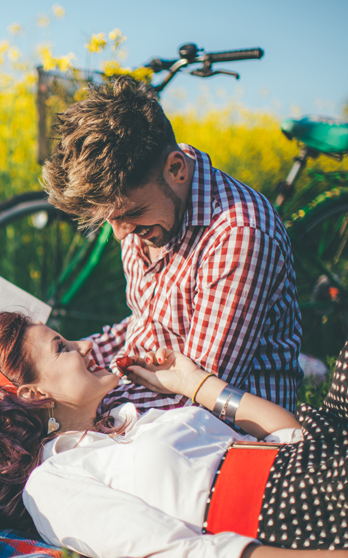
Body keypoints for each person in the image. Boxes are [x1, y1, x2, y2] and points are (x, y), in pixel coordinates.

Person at [0, 308, 348, 558]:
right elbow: (184, 556)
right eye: (63, 347)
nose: (86, 345)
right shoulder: (53, 482)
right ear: (32, 393)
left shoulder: (125, 419)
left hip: (320, 454)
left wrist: (195, 384)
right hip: (300, 511)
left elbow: (290, 439)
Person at [41, 76, 303, 413]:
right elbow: (147, 322)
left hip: (224, 433)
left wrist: (72, 406)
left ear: (176, 169)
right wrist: (74, 357)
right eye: (109, 219)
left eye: (131, 214)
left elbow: (200, 394)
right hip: (151, 403)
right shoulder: (148, 212)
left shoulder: (238, 236)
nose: (121, 235)